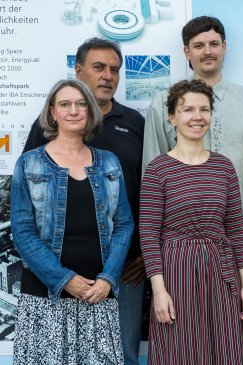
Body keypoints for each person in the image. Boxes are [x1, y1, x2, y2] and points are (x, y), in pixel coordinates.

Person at [142, 17, 243, 364]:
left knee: (233, 337)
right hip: (175, 256)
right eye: (198, 45)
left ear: (224, 47)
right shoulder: (161, 104)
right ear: (187, 52)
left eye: (214, 44)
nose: (207, 51)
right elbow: (151, 188)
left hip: (237, 247)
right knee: (178, 341)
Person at [22, 38, 145, 365]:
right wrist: (59, 275)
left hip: (124, 269)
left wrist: (143, 253)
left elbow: (148, 192)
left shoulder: (135, 123)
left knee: (122, 356)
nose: (108, 75)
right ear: (78, 70)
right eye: (99, 67)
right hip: (52, 272)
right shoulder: (44, 130)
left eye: (114, 69)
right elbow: (28, 210)